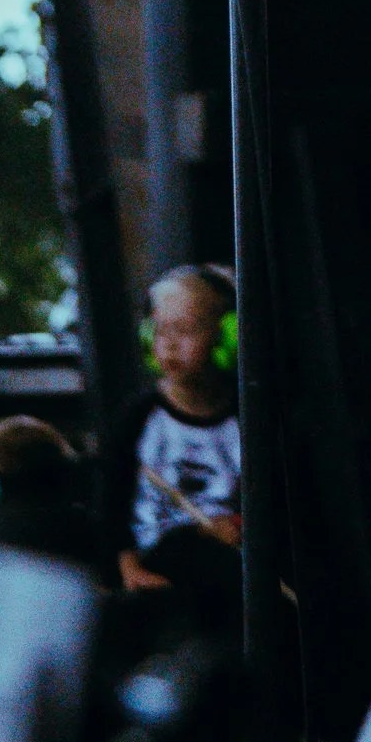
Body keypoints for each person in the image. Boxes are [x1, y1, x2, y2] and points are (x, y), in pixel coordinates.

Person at [111, 262, 244, 612]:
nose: (169, 344)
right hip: (155, 563)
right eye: (159, 331)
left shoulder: (244, 421)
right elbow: (111, 499)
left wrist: (234, 525)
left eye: (184, 330)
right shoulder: (140, 417)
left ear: (226, 336)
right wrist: (128, 567)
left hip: (224, 566)